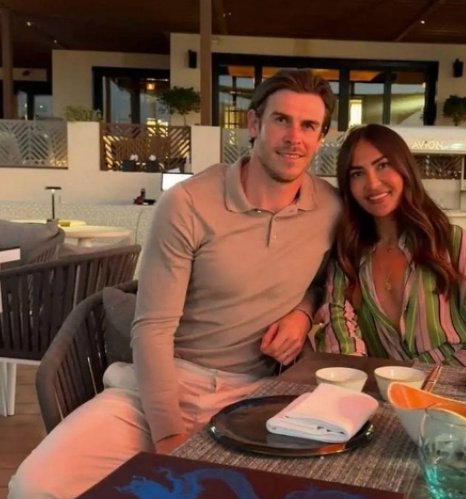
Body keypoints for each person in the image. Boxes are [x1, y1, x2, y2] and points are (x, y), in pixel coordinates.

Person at [9, 69, 341, 498]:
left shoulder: (329, 209)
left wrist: (302, 313)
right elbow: (151, 328)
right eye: (282, 120)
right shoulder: (188, 203)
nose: (294, 137)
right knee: (35, 485)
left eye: (308, 125)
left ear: (321, 136)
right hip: (167, 381)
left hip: (261, 395)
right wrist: (168, 437)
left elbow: (326, 282)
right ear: (254, 124)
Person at [314, 124, 466, 366]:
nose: (372, 184)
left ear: (404, 168)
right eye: (357, 174)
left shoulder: (452, 242)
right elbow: (338, 322)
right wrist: (356, 375)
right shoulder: (348, 251)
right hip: (384, 384)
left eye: (383, 165)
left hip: (459, 379)